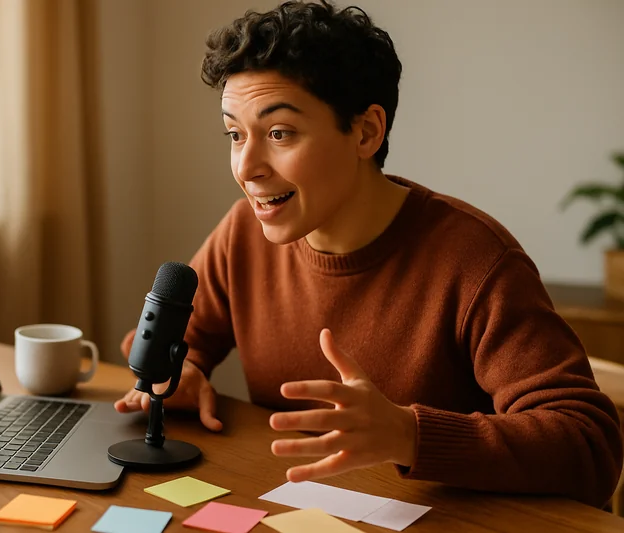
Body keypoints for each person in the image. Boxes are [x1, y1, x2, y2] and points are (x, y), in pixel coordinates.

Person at [114, 0, 622, 507]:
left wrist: (409, 434)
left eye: (279, 133)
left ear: (366, 132)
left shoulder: (477, 261)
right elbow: (171, 344)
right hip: (294, 506)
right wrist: (183, 372)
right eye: (235, 134)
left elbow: (590, 446)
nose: (247, 167)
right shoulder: (244, 232)